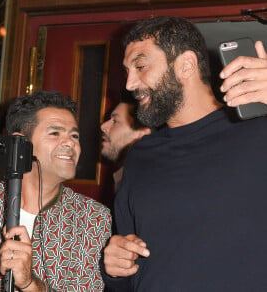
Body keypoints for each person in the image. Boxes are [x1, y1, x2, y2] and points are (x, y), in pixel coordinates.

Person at [102, 16, 267, 291]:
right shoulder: (140, 155)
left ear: (186, 65)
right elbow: (132, 270)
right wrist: (116, 267)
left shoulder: (258, 131)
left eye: (140, 66)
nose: (130, 84)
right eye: (127, 70)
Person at [0, 90, 111, 291]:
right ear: (21, 143)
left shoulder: (93, 218)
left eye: (74, 135)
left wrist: (29, 283)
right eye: (55, 133)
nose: (70, 143)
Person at [101, 92, 151, 191]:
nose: (103, 127)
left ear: (142, 134)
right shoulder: (125, 179)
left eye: (115, 121)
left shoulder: (146, 187)